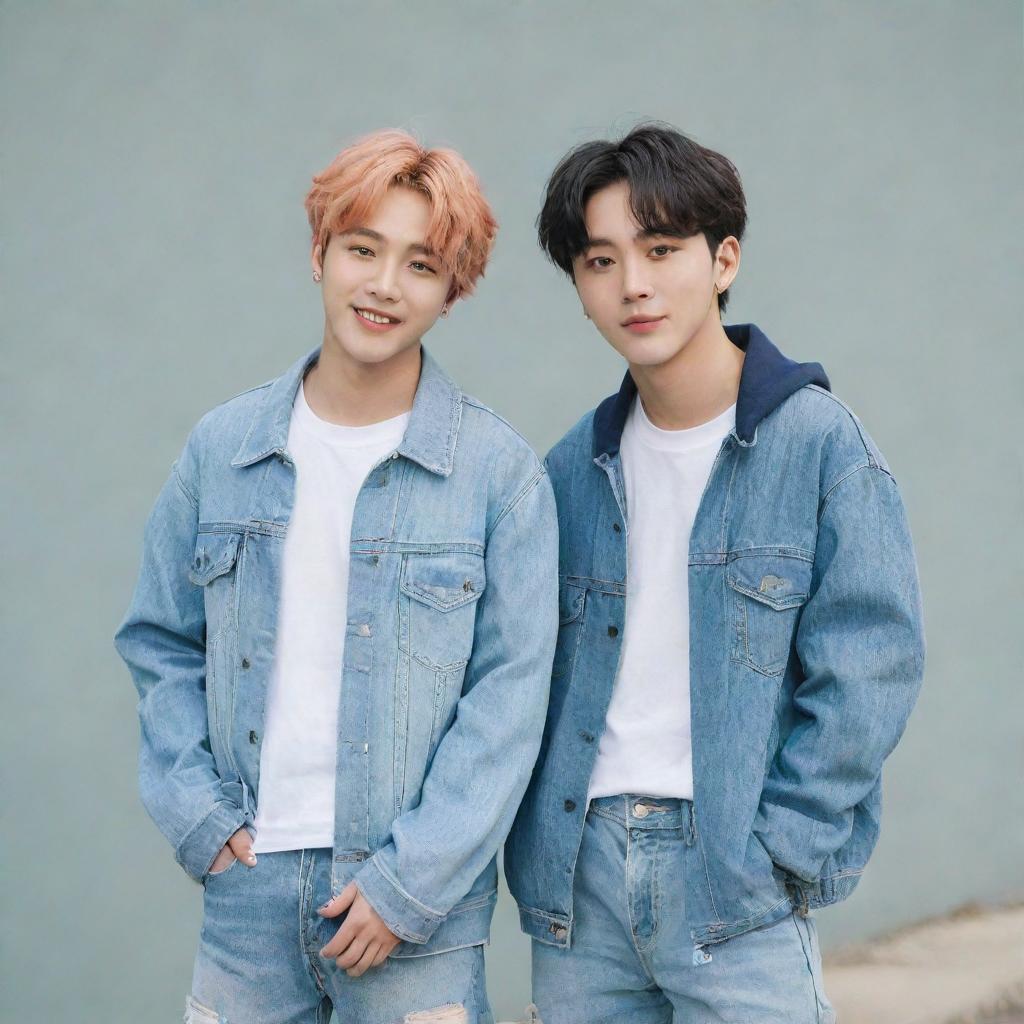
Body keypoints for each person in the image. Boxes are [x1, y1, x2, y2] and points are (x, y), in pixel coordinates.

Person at [114, 129, 557, 1024]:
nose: (385, 286)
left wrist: (410, 884)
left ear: (451, 293)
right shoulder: (223, 451)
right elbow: (159, 640)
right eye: (364, 249)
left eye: (422, 265)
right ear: (319, 253)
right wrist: (200, 818)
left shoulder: (497, 475)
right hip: (246, 897)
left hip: (416, 919)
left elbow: (511, 700)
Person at [505, 123, 925, 1023]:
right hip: (582, 890)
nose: (635, 285)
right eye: (601, 261)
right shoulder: (568, 471)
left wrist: (782, 848)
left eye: (661, 250)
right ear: (579, 287)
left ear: (723, 258)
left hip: (735, 880)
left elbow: (872, 663)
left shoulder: (821, 446)